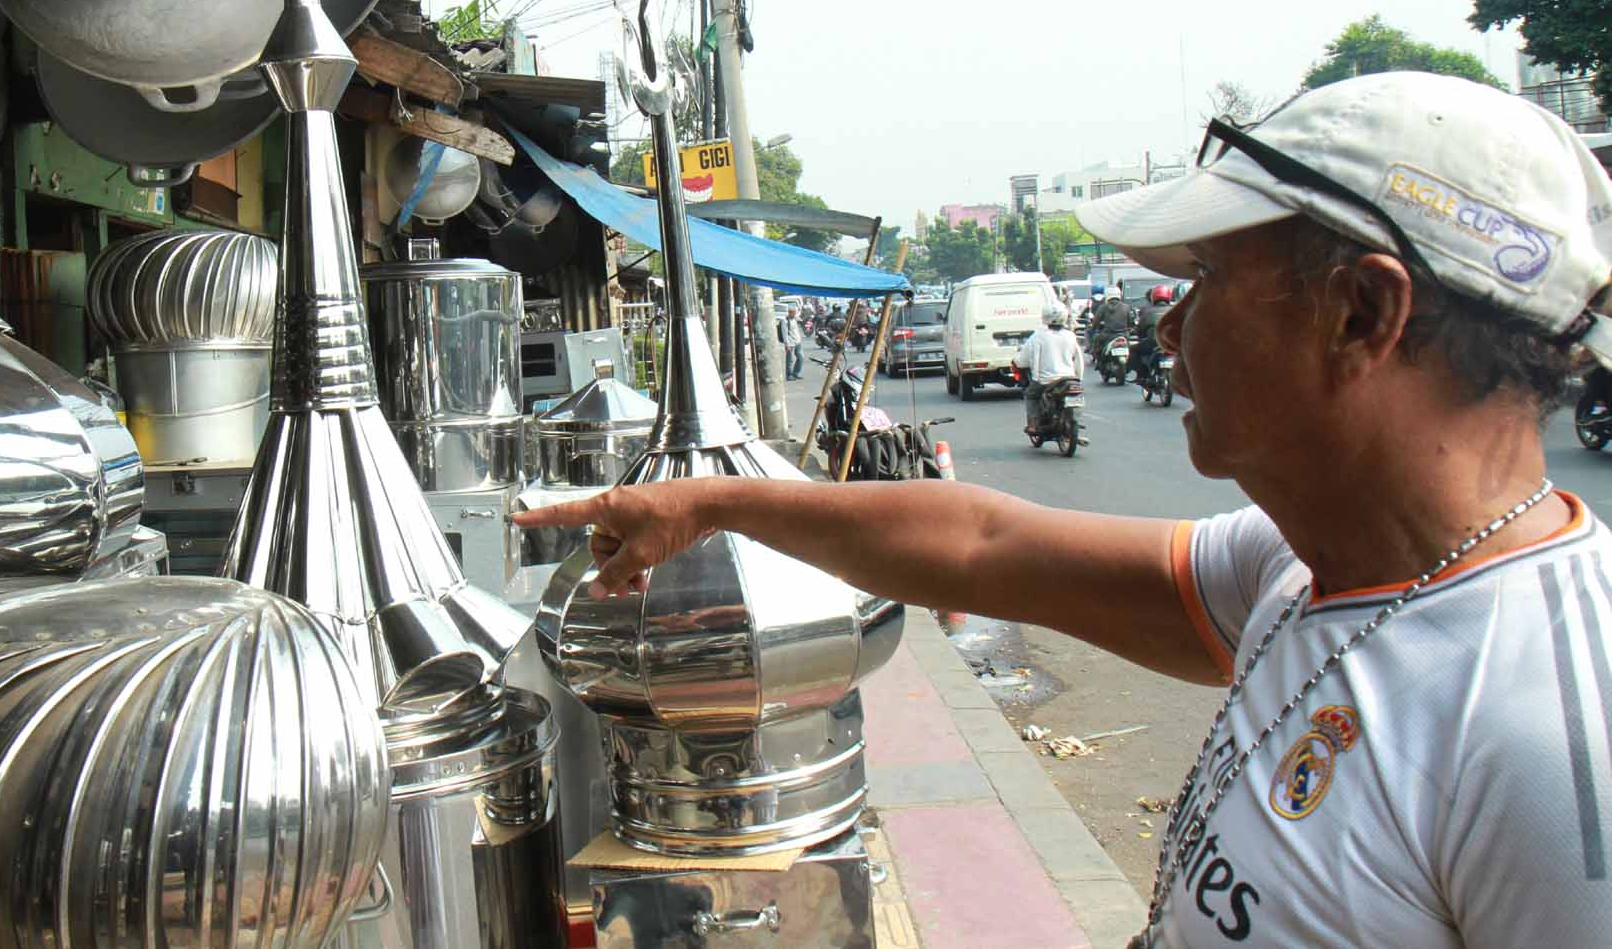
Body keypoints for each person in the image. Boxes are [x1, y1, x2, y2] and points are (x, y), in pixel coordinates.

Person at [517, 72, 1612, 947]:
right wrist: (709, 501)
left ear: (1360, 311)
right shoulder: (1300, 571)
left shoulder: (1555, 734)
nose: (1168, 327)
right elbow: (982, 540)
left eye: (1205, 280)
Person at [1013, 300, 1083, 434]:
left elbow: (1022, 360)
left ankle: (1033, 424)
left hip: (1046, 380)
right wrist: (1077, 376)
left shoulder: (1038, 336)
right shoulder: (1070, 335)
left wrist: (1017, 361)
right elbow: (1077, 357)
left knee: (1031, 395)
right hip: (1069, 378)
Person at [1128, 283, 1174, 381]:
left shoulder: (1147, 312)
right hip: (1172, 343)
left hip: (1153, 343)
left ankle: (1142, 375)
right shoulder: (1174, 310)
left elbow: (1140, 330)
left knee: (1133, 350)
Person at [1090, 284, 1133, 358]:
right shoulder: (1126, 307)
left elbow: (1096, 321)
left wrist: (1093, 328)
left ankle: (1098, 358)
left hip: (1108, 335)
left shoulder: (1103, 307)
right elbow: (1130, 322)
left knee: (1096, 339)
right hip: (1124, 335)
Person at [779, 307, 805, 380]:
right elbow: (784, 334)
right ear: (789, 312)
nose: (794, 314)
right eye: (793, 313)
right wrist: (786, 344)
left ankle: (796, 373)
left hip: (797, 342)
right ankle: (789, 375)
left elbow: (796, 330)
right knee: (790, 360)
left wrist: (799, 339)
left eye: (795, 313)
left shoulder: (794, 319)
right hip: (790, 343)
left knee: (801, 357)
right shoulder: (785, 321)